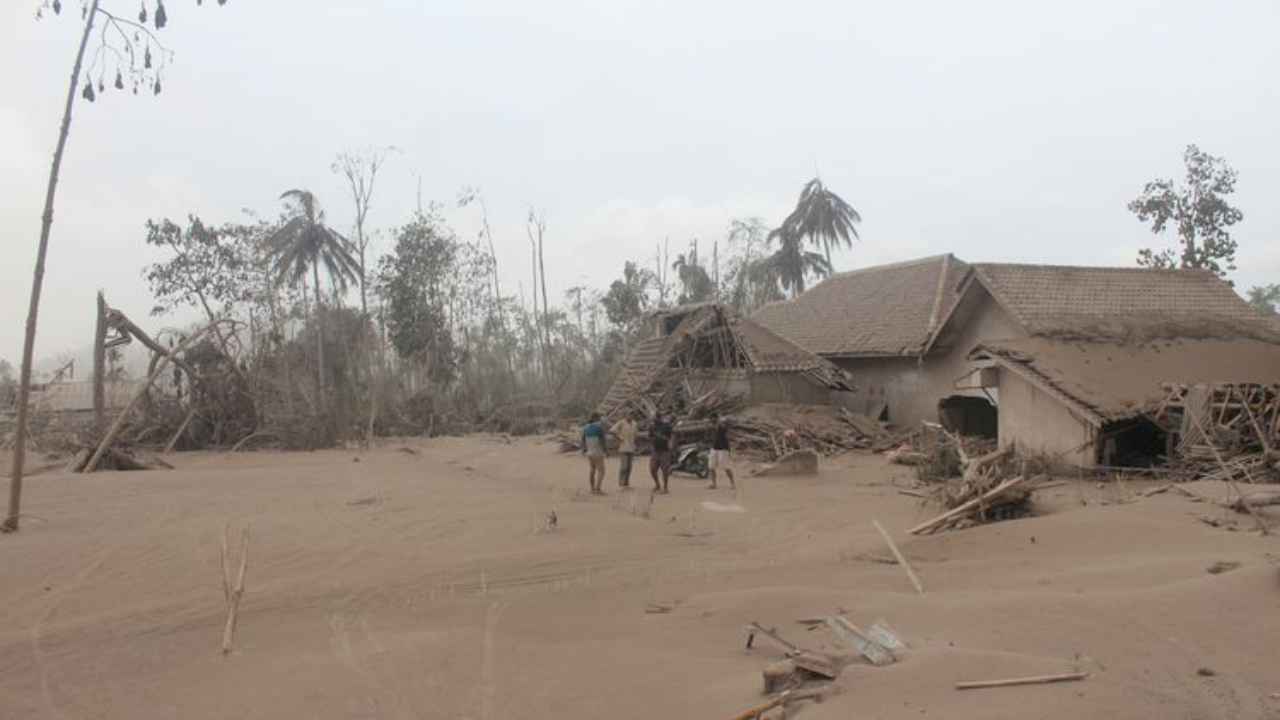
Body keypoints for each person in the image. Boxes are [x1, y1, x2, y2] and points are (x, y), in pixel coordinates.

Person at [609, 413, 639, 489]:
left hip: (631, 447)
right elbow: (612, 430)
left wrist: (636, 444)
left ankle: (626, 483)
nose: (630, 416)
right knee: (624, 466)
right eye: (629, 415)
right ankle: (621, 483)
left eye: (632, 415)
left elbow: (636, 434)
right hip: (623, 447)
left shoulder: (635, 424)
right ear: (626, 416)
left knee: (629, 466)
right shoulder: (621, 422)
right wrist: (619, 438)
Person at [581, 412, 607, 495]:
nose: (600, 419)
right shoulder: (599, 428)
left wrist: (584, 449)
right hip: (598, 451)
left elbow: (583, 440)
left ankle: (592, 488)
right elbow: (603, 441)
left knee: (592, 470)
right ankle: (598, 489)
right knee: (601, 471)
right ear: (596, 418)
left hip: (589, 452)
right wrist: (606, 451)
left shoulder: (585, 428)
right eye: (599, 418)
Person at [707, 413, 736, 490]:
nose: (711, 420)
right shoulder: (711, 426)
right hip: (714, 448)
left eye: (713, 419)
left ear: (716, 418)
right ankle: (714, 484)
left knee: (725, 467)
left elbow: (726, 427)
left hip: (723, 449)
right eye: (711, 419)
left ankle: (732, 483)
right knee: (711, 467)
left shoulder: (722, 425)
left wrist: (719, 422)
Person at [649, 412, 674, 494]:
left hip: (665, 450)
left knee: (665, 470)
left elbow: (672, 435)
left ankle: (665, 487)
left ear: (659, 418)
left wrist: (670, 444)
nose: (654, 419)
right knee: (652, 469)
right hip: (655, 450)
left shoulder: (666, 426)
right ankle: (657, 484)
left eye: (655, 418)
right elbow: (650, 437)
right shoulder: (652, 427)